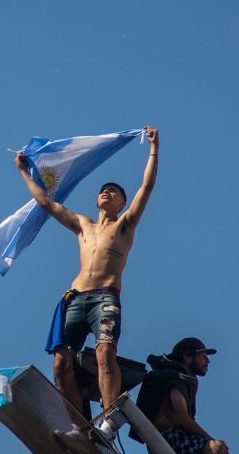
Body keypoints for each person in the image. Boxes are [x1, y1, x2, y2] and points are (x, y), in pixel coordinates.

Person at [14, 127, 159, 417]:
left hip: (104, 297)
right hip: (75, 298)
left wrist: (154, 149)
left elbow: (146, 188)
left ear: (121, 203)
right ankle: (77, 419)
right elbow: (45, 203)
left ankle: (108, 416)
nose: (108, 191)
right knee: (60, 362)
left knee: (105, 353)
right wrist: (24, 172)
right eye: (104, 189)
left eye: (115, 191)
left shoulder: (125, 225)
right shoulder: (83, 225)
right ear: (97, 200)